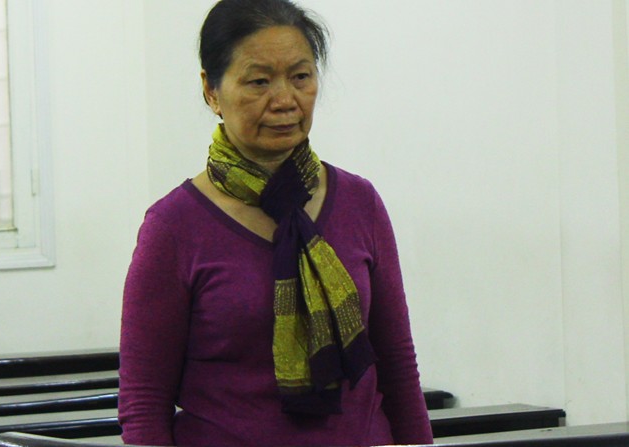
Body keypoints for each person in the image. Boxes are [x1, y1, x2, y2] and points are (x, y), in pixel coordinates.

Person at [118, 0, 433, 445]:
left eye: (301, 77)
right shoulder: (173, 226)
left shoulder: (360, 202)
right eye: (259, 81)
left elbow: (397, 364)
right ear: (211, 90)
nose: (285, 101)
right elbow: (144, 401)